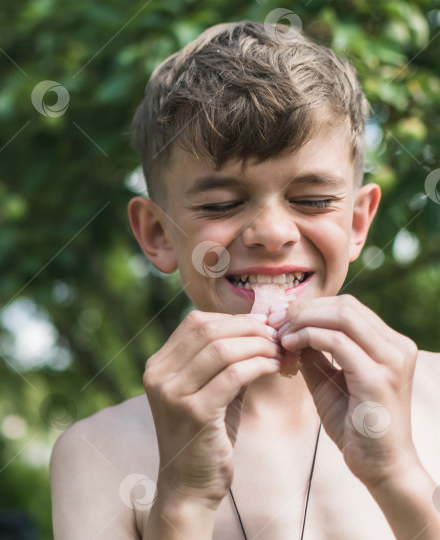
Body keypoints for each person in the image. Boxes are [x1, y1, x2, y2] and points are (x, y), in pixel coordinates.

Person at [49, 20, 440, 539]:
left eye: (314, 199)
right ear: (158, 234)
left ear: (357, 223)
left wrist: (399, 481)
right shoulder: (97, 453)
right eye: (221, 204)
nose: (272, 233)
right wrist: (184, 498)